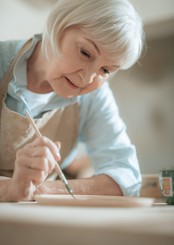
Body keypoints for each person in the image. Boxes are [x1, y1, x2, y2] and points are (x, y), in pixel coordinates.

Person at [0, 0, 144, 202]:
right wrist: (11, 189)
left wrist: (43, 190)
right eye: (85, 53)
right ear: (60, 26)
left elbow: (127, 177)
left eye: (105, 70)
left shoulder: (94, 96)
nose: (87, 79)